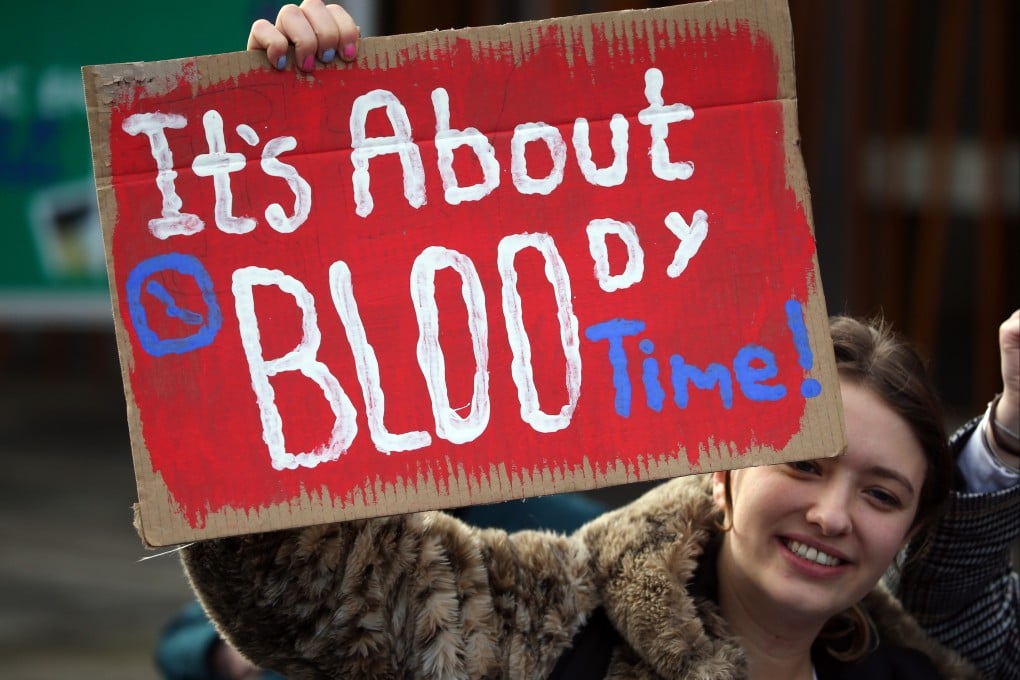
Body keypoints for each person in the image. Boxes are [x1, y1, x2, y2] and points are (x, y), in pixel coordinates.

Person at [178, 4, 1019, 678]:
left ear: (910, 533)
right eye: (805, 464)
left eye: (882, 496)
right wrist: (293, 147)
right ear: (724, 472)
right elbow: (300, 592)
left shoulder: (919, 667)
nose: (832, 515)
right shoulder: (541, 616)